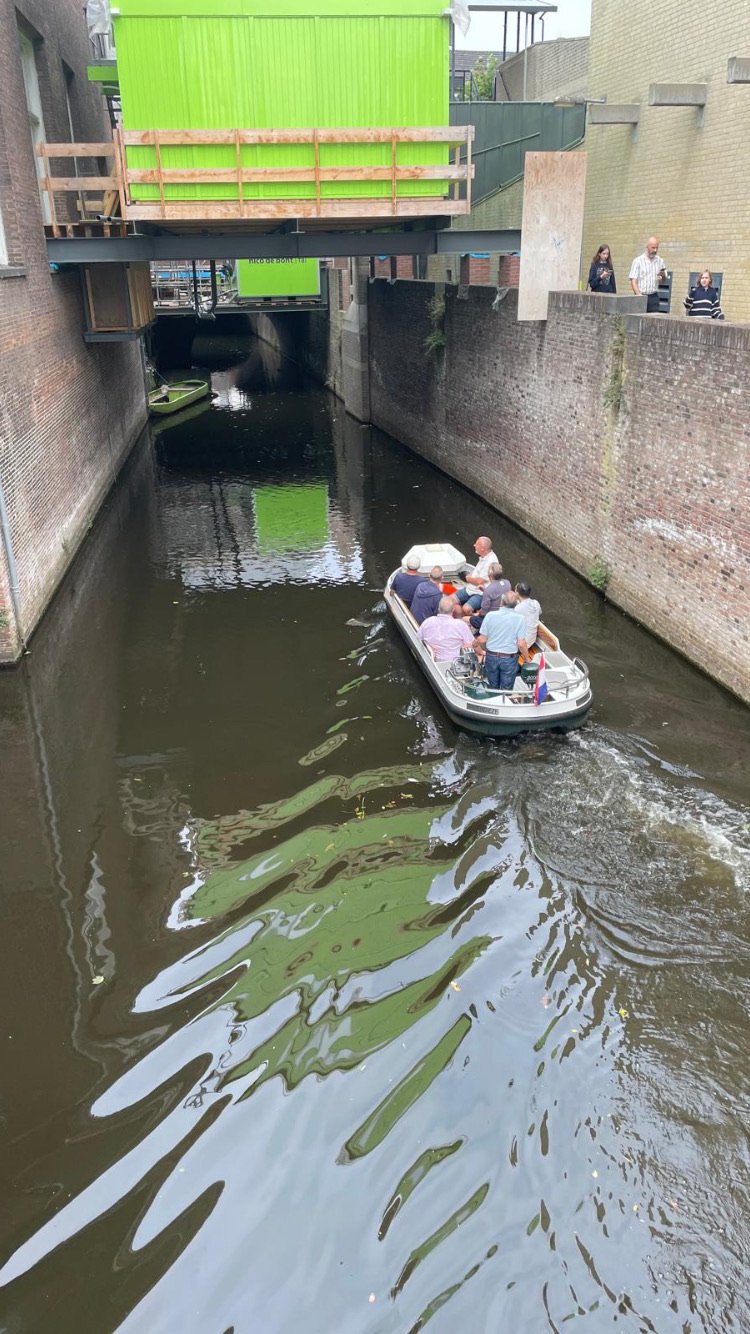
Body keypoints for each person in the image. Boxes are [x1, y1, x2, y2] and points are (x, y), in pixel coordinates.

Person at [475, 593, 530, 691]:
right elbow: (521, 644)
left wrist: (473, 644)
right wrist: (526, 659)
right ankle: (505, 702)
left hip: (491, 657)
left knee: (493, 686)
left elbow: (482, 639)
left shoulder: (490, 615)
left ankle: (493, 699)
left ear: (501, 602)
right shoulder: (520, 619)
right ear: (516, 604)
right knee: (507, 690)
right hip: (509, 659)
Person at [418, 596, 475, 662]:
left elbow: (419, 638)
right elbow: (472, 644)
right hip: (453, 663)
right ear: (453, 609)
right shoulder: (460, 625)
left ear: (439, 608)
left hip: (431, 659)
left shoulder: (428, 621)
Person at [455, 536, 500, 613]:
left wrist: (466, 578)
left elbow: (479, 582)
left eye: (477, 544)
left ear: (482, 549)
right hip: (470, 588)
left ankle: (473, 620)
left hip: (480, 593)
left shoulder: (490, 562)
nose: (474, 545)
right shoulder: (484, 557)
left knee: (466, 609)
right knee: (450, 600)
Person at [629, 236, 667, 313]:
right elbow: (633, 280)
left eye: (657, 248)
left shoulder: (660, 261)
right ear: (647, 247)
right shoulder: (638, 261)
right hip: (641, 295)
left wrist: (663, 277)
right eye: (653, 248)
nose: (655, 250)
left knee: (653, 321)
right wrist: (638, 295)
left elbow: (663, 281)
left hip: (654, 296)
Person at [468, 562, 511, 630]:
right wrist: (485, 591)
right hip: (503, 615)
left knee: (465, 619)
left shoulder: (489, 590)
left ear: (490, 575)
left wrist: (477, 614)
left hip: (492, 619)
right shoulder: (507, 583)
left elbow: (484, 612)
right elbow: (498, 592)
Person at [512, 581, 542, 647]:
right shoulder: (536, 603)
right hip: (532, 640)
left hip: (522, 644)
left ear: (517, 593)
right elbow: (539, 612)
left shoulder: (518, 608)